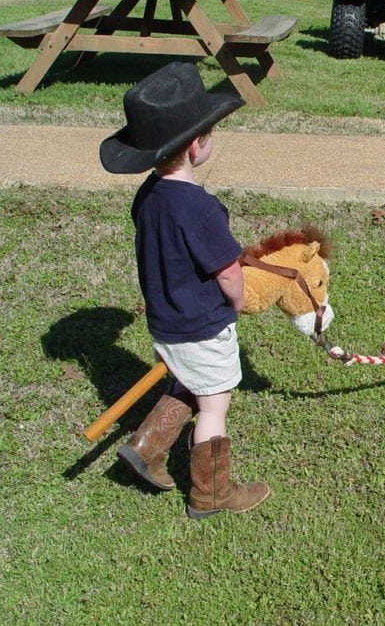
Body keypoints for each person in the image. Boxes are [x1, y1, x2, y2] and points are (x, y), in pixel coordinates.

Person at [100, 61, 270, 519]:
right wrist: (238, 302)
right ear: (196, 145)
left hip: (166, 322)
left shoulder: (148, 197)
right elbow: (229, 274)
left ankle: (146, 445)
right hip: (201, 324)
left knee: (187, 379)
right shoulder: (200, 209)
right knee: (214, 404)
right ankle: (212, 495)